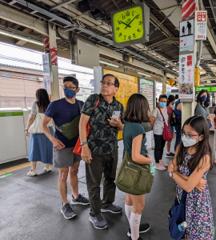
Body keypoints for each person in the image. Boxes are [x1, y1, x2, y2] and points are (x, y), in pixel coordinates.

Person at [79, 74, 124, 229]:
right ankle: (95, 213)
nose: (105, 85)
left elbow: (121, 128)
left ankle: (107, 203)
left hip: (112, 148)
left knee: (111, 178)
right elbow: (82, 123)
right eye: (103, 83)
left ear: (116, 89)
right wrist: (84, 146)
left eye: (109, 83)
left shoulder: (119, 106)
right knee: (94, 183)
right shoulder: (93, 100)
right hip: (94, 149)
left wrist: (118, 125)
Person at [43, 76, 90, 220]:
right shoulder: (55, 105)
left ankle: (76, 196)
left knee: (74, 171)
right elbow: (43, 125)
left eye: (71, 87)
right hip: (62, 145)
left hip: (77, 145)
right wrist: (53, 139)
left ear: (77, 89)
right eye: (65, 86)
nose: (67, 89)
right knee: (63, 175)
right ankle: (64, 203)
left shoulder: (81, 105)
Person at [168, 115, 215, 240]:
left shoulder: (204, 157)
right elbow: (171, 166)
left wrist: (173, 174)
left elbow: (188, 187)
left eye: (190, 135)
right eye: (183, 132)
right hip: (181, 198)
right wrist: (191, 180)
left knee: (196, 234)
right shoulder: (181, 148)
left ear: (201, 137)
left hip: (197, 204)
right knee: (181, 231)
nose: (185, 137)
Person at [123, 94, 152, 240]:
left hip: (128, 169)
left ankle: (131, 228)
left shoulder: (127, 124)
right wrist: (149, 160)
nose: (147, 110)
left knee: (129, 200)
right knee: (139, 206)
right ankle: (135, 237)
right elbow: (136, 156)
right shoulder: (138, 128)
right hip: (137, 171)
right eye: (146, 107)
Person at [25, 88, 53, 176]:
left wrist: (27, 128)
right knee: (48, 149)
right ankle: (48, 166)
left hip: (38, 131)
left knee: (34, 149)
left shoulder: (36, 104)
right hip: (49, 130)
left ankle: (33, 170)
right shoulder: (50, 104)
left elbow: (32, 117)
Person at [152, 94, 169, 171]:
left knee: (162, 147)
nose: (163, 103)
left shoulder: (165, 109)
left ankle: (160, 160)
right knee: (158, 147)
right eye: (162, 101)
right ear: (159, 101)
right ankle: (157, 163)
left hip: (164, 132)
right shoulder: (156, 109)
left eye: (165, 101)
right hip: (158, 131)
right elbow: (152, 120)